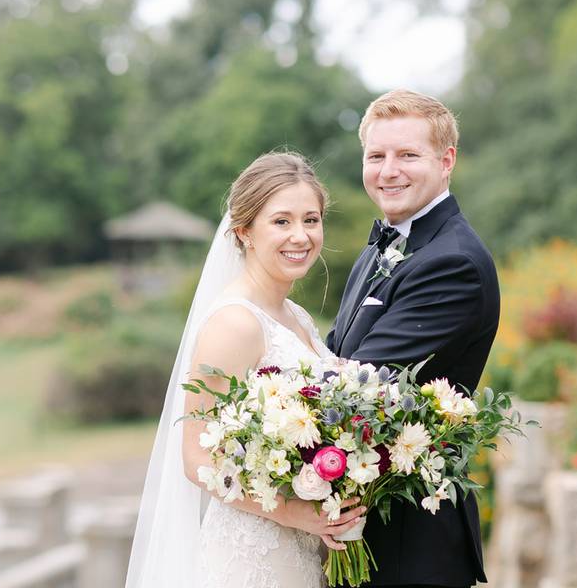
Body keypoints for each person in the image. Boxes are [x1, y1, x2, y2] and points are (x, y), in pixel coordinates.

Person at [125, 152, 365, 588]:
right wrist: (293, 512)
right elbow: (196, 458)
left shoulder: (297, 317)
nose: (301, 235)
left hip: (306, 551)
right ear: (244, 231)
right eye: (281, 221)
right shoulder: (235, 323)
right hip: (253, 558)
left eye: (311, 220)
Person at [326, 90, 500, 588]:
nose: (388, 170)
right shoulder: (384, 243)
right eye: (376, 156)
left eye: (407, 155)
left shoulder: (453, 263)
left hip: (411, 541)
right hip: (366, 526)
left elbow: (355, 385)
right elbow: (336, 350)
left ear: (446, 161)